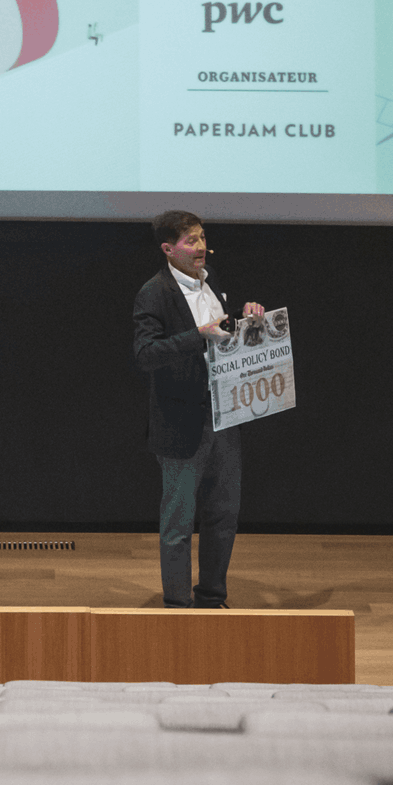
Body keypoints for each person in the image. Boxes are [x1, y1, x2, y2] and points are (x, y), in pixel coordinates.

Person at [132, 210, 264, 608]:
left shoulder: (211, 282)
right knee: (179, 522)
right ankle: (178, 605)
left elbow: (221, 335)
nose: (201, 246)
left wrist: (245, 318)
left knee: (223, 514)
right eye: (191, 241)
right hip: (181, 422)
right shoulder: (154, 292)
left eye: (203, 237)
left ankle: (211, 598)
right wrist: (198, 336)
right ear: (168, 249)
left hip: (225, 413)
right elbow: (146, 354)